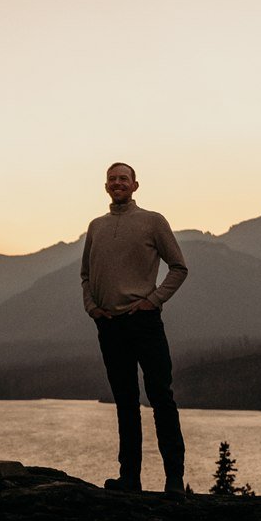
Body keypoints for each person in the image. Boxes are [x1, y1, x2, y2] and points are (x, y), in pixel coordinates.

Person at [81, 161, 188, 495]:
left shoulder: (153, 221)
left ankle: (174, 480)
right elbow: (85, 275)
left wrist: (153, 301)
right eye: (112, 179)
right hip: (109, 326)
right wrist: (92, 308)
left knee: (161, 397)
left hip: (144, 322)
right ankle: (130, 478)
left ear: (135, 185)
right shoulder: (96, 227)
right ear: (106, 186)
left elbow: (179, 267)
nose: (118, 183)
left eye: (123, 179)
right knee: (125, 402)